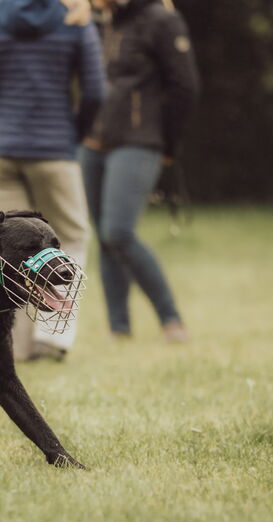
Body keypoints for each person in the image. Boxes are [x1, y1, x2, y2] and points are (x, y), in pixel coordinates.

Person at [0, 0, 105, 361]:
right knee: (70, 236)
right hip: (55, 149)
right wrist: (72, 136)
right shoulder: (74, 16)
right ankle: (52, 338)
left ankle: (13, 344)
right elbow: (95, 92)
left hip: (0, 150)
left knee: (4, 250)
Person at [80, 0, 199, 342]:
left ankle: (171, 319)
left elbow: (185, 87)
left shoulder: (162, 19)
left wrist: (167, 144)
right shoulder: (100, 20)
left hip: (139, 139)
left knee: (118, 232)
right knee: (104, 237)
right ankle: (119, 329)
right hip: (92, 140)